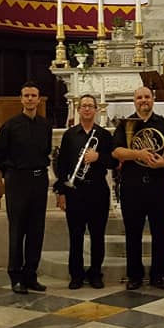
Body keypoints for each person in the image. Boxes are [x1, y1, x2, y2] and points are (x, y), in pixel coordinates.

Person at [112, 86, 164, 290]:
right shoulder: (125, 124)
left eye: (147, 97)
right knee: (133, 232)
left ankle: (159, 274)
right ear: (134, 101)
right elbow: (116, 151)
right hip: (132, 185)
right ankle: (135, 275)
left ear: (153, 99)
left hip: (159, 184)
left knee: (160, 232)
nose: (143, 100)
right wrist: (138, 154)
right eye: (139, 97)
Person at [0, 81, 53, 294]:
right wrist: (10, 174)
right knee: (17, 230)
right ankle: (16, 276)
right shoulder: (10, 126)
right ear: (21, 99)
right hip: (18, 181)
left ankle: (31, 275)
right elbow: (0, 153)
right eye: (26, 95)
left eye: (33, 95)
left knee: (37, 230)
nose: (30, 99)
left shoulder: (45, 125)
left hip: (39, 179)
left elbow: (46, 151)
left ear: (38, 99)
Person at [54, 94, 116, 289]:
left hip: (98, 191)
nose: (87, 109)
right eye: (84, 106)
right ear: (78, 109)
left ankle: (96, 273)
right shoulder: (70, 135)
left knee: (98, 235)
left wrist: (98, 157)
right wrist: (61, 192)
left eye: (90, 106)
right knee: (76, 236)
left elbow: (114, 162)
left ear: (96, 109)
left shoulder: (104, 135)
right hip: (75, 192)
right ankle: (76, 275)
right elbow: (61, 165)